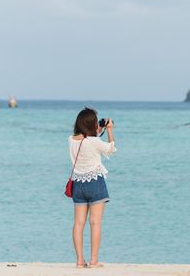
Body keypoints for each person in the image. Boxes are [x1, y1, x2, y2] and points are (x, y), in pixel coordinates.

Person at [68, 107, 116, 268]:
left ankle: (80, 261)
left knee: (78, 224)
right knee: (95, 223)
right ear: (92, 124)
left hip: (78, 185)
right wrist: (109, 130)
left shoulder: (71, 140)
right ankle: (94, 261)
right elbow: (110, 149)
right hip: (95, 182)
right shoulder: (94, 142)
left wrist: (97, 130)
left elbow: (85, 140)